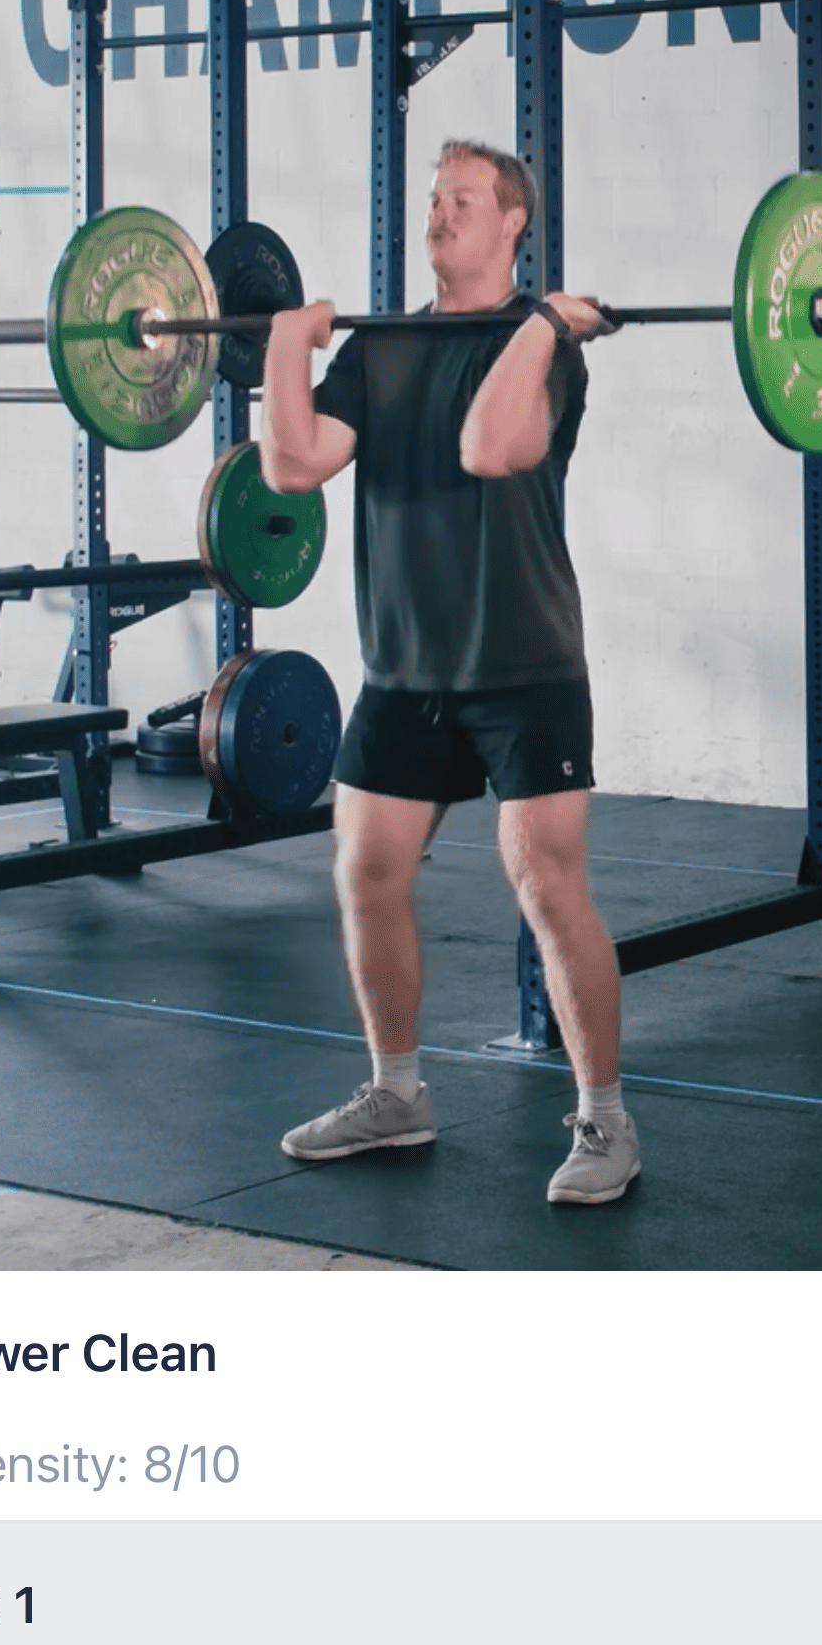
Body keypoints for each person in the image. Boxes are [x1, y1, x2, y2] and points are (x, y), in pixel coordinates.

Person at [260, 137, 640, 1207]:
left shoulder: (550, 352)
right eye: (433, 199)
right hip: (404, 668)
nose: (440, 215)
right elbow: (294, 466)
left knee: (545, 882)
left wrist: (545, 327)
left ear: (514, 222)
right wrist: (286, 349)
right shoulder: (380, 349)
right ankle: (396, 1094)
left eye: (463, 200)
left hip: (524, 665)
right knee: (365, 875)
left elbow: (489, 448)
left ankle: (605, 1120)